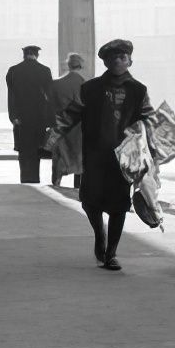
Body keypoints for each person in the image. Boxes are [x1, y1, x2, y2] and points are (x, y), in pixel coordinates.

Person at [47, 39, 154, 271]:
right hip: (95, 154)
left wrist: (153, 152)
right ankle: (99, 234)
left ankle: (111, 254)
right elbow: (69, 115)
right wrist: (50, 139)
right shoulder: (90, 88)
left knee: (118, 206)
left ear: (130, 61)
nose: (117, 61)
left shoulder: (139, 90)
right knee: (89, 202)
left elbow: (150, 120)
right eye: (112, 58)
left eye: (122, 57)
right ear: (104, 61)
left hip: (123, 157)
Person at [5, 45, 53, 183]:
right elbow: (49, 97)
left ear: (24, 55)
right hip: (39, 118)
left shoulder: (13, 71)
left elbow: (11, 95)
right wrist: (50, 120)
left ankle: (25, 178)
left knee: (23, 150)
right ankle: (34, 179)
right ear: (37, 55)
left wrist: (13, 116)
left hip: (21, 118)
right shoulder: (44, 70)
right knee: (36, 149)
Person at [50, 52, 86, 188]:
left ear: (68, 65)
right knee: (78, 155)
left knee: (58, 154)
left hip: (59, 125)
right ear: (80, 65)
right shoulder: (84, 83)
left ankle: (56, 181)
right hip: (78, 126)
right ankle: (78, 185)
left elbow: (49, 106)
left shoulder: (55, 83)